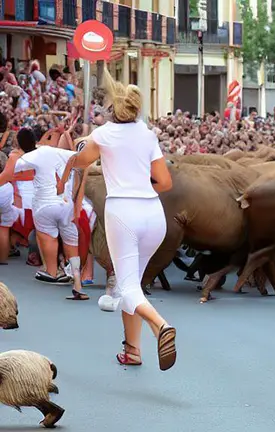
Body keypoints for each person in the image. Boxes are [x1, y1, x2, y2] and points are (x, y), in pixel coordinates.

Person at [65, 70, 177, 371]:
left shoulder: (103, 134)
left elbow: (81, 161)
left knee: (126, 286)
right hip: (154, 214)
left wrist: (79, 143)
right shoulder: (148, 134)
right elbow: (165, 182)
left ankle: (160, 324)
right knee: (134, 283)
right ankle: (132, 350)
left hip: (123, 213)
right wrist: (141, 188)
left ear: (113, 109)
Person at [0, 128, 87, 300]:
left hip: (44, 204)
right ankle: (76, 279)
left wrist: (13, 158)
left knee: (48, 238)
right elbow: (80, 161)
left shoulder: (36, 155)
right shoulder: (64, 154)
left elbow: (11, 170)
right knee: (70, 243)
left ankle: (52, 271)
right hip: (65, 204)